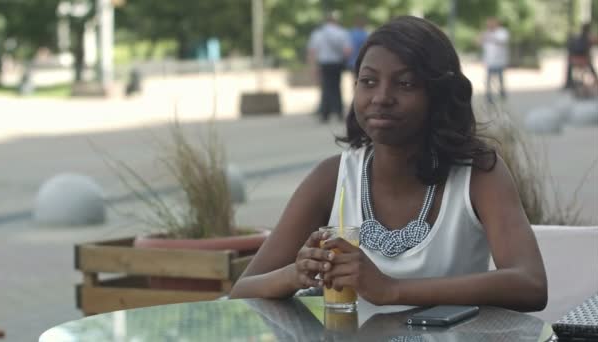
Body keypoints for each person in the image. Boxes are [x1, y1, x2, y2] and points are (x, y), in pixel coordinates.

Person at [231, 16, 547, 313]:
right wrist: (295, 274)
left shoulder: (477, 174)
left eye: (405, 84)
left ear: (438, 94)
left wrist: (392, 290)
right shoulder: (332, 176)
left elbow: (530, 284)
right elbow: (242, 290)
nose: (381, 97)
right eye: (368, 81)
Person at [307, 12, 352, 123]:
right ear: (336, 21)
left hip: (324, 63)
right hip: (336, 64)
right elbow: (347, 51)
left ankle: (324, 113)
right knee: (337, 87)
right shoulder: (342, 32)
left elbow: (312, 52)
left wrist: (312, 67)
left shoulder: (318, 34)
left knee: (326, 87)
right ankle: (338, 111)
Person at [479, 17, 509, 104]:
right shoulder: (486, 33)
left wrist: (489, 37)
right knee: (488, 80)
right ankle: (489, 96)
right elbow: (478, 42)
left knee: (500, 79)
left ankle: (502, 93)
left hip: (500, 61)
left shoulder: (502, 32)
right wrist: (482, 37)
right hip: (489, 61)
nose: (489, 26)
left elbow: (502, 41)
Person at [564, 22, 598, 90]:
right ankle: (596, 80)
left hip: (574, 60)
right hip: (584, 60)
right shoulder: (589, 37)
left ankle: (569, 82)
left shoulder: (576, 37)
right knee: (590, 66)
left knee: (570, 65)